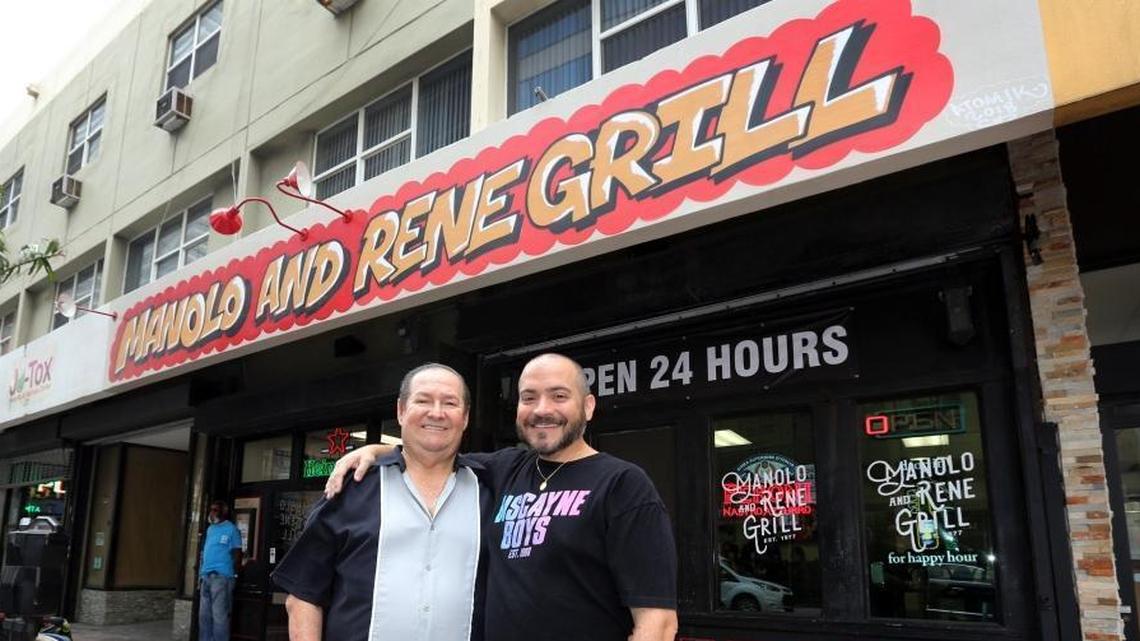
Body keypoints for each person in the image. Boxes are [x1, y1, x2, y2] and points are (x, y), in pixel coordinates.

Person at [327, 353, 678, 641]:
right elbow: (432, 452)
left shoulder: (623, 484)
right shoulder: (505, 468)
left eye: (559, 396)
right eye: (528, 397)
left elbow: (658, 624)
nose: (542, 409)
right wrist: (375, 450)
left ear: (587, 407)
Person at [271, 364, 488, 641]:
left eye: (450, 403)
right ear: (400, 410)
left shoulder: (491, 486)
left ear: (465, 417)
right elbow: (302, 597)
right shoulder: (351, 487)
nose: (436, 412)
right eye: (423, 400)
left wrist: (375, 447)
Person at [199, 499, 243, 641]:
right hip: (206, 576)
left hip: (222, 577)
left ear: (224, 512)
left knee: (219, 617)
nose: (211, 513)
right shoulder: (210, 529)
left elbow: (237, 554)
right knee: (204, 616)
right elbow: (206, 551)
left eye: (215, 510)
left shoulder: (232, 529)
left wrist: (234, 575)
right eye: (211, 510)